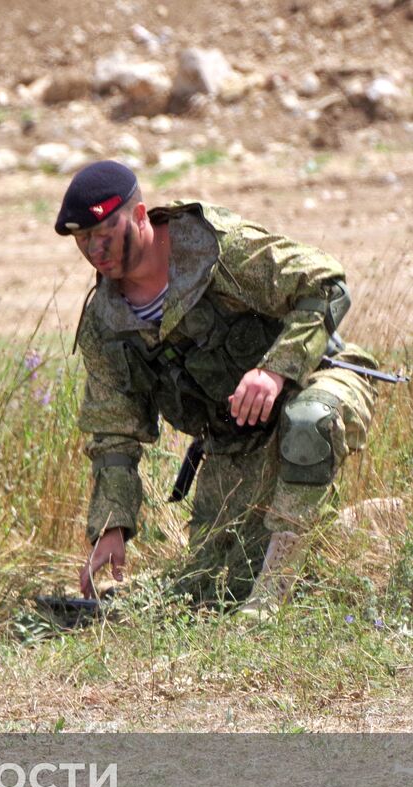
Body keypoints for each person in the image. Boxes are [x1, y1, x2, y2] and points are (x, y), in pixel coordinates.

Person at [57, 160, 381, 618]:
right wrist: (112, 527)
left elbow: (326, 283)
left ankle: (271, 601)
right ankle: (308, 561)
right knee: (215, 588)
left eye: (105, 231)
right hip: (237, 439)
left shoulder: (214, 249)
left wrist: (275, 370)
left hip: (319, 379)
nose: (95, 248)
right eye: (83, 239)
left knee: (309, 423)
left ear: (140, 216)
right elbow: (114, 434)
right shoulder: (106, 323)